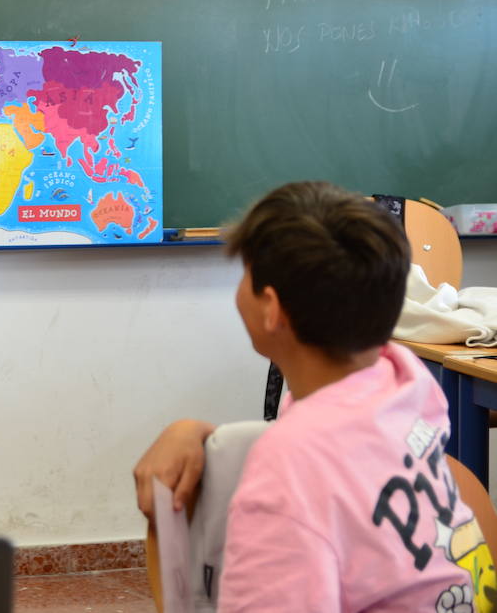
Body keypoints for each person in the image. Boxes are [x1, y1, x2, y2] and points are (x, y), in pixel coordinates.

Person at [132, 180, 496, 612]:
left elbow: (302, 461)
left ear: (271, 308)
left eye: (244, 275)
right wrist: (193, 432)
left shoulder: (286, 475)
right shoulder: (403, 379)